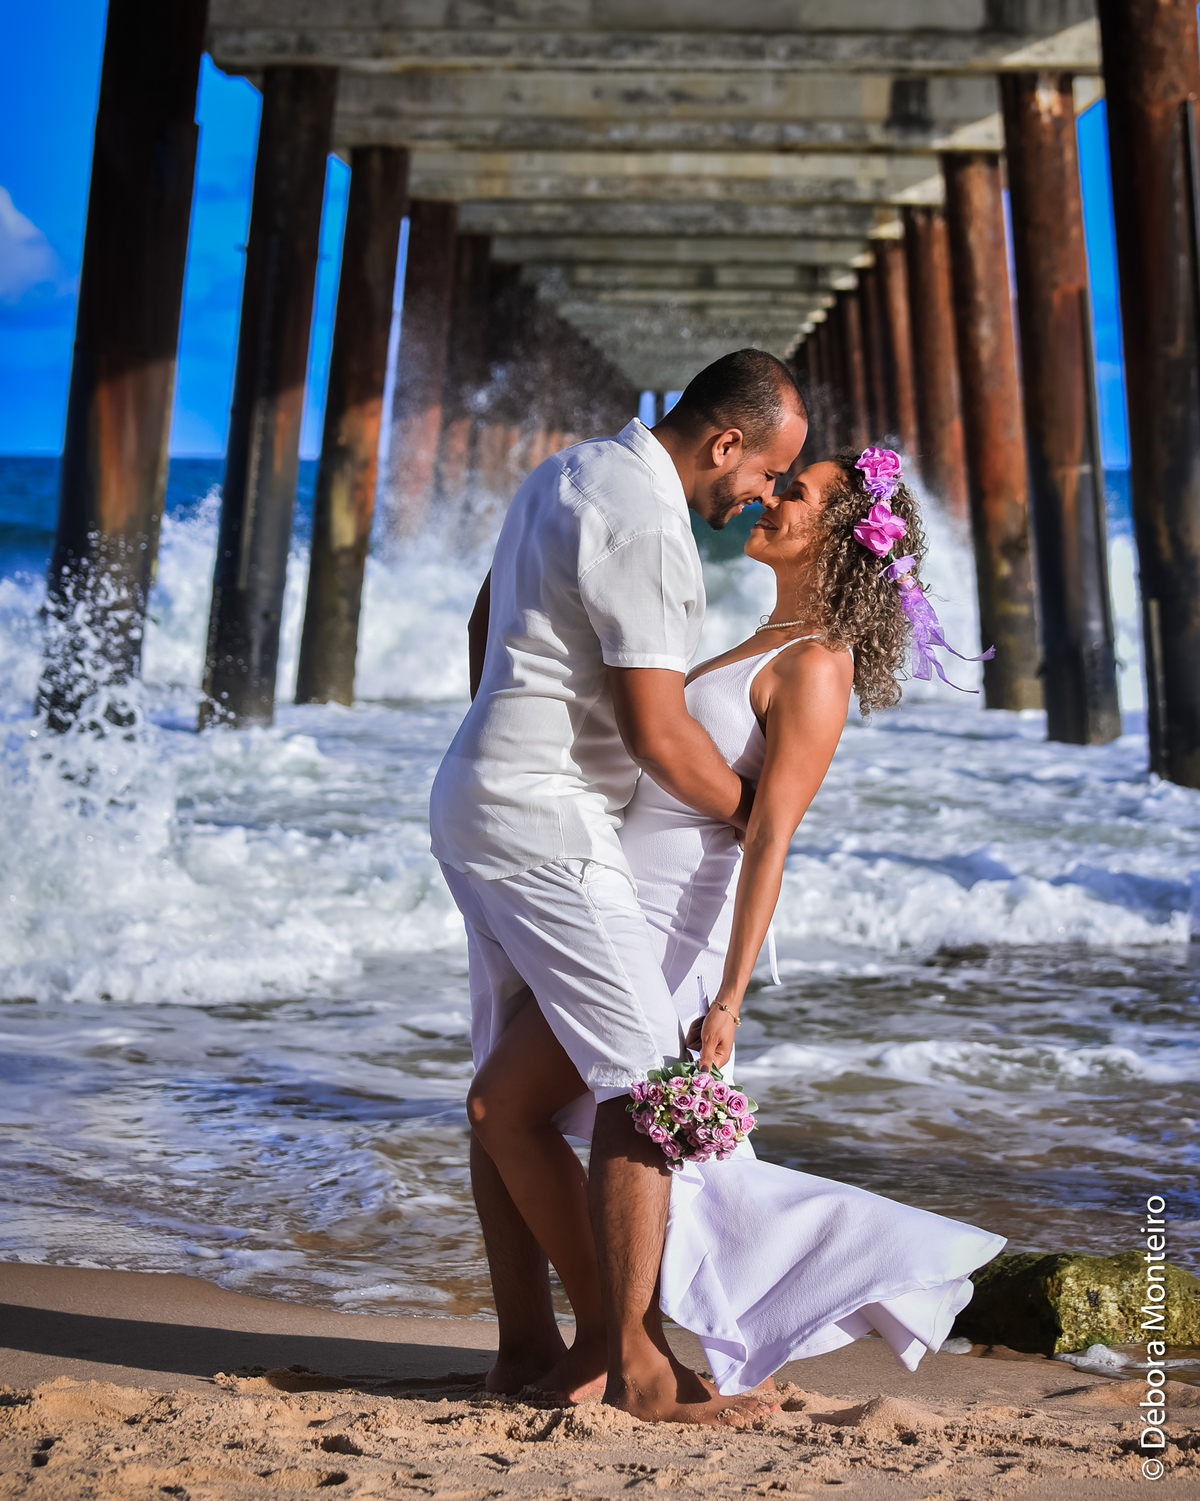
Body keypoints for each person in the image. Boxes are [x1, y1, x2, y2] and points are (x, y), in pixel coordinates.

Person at [429, 349, 810, 1424]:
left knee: (507, 1095)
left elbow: (482, 620)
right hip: (546, 827)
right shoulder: (647, 519)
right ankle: (638, 1365)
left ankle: (529, 1350)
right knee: (648, 1086)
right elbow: (657, 731)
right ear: (724, 441)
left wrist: (507, 733)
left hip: (476, 797)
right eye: (766, 471)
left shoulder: (567, 470)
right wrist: (752, 822)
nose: (762, 496)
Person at [619, 446, 1005, 1393]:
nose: (769, 495)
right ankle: (652, 1339)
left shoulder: (817, 664)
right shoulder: (754, 638)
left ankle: (864, 1266)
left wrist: (729, 1002)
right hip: (631, 906)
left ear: (838, 540)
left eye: (796, 493)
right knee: (657, 1147)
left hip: (684, 926)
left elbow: (770, 840)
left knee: (660, 1140)